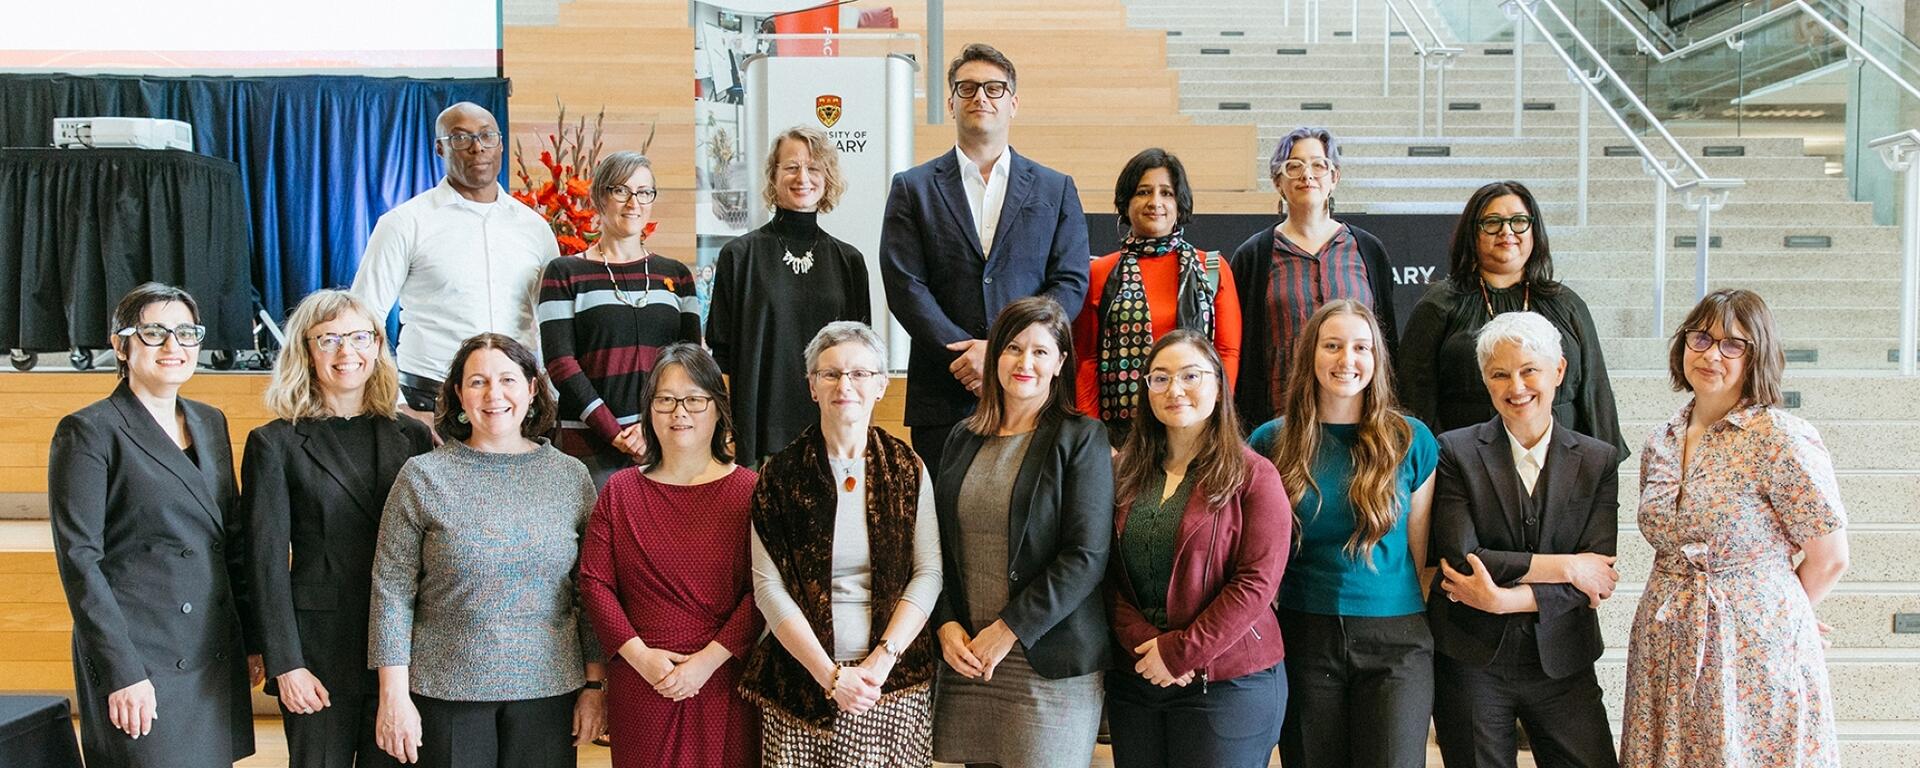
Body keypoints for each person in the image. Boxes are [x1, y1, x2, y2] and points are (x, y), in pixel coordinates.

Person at [1619, 289, 1850, 767]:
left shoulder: (1780, 437)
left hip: (1752, 648)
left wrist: (1782, 616)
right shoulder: (1661, 439)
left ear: (1756, 356)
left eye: (1732, 345)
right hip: (1666, 637)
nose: (1710, 355)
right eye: (1700, 338)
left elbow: (1829, 557)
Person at [48, 282, 263, 766]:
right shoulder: (89, 430)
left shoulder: (210, 422)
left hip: (209, 651)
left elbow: (231, 539)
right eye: (154, 332)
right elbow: (80, 562)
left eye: (186, 333)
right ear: (120, 344)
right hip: (140, 656)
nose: (173, 346)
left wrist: (250, 637)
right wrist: (122, 670)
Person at [368, 333, 606, 768]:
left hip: (548, 691)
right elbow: (392, 592)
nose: (494, 394)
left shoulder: (571, 477)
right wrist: (393, 696)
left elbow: (588, 592)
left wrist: (594, 688)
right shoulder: (422, 476)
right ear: (458, 393)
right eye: (477, 382)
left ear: (532, 389)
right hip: (446, 692)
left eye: (508, 380)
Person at [244, 289, 435, 768]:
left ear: (376, 346)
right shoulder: (275, 443)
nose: (346, 352)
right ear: (306, 352)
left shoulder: (410, 434)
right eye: (328, 339)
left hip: (400, 650)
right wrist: (286, 663)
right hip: (318, 651)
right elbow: (265, 563)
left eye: (358, 337)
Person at [739, 321, 943, 766]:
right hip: (799, 681)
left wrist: (880, 663)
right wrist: (829, 676)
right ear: (812, 386)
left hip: (890, 683)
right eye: (830, 374)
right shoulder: (779, 475)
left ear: (881, 384)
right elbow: (769, 589)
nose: (844, 385)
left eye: (859, 374)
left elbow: (929, 574)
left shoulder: (908, 469)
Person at [880, 42, 1091, 474]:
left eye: (994, 89)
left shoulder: (1055, 188)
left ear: (1013, 103)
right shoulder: (912, 187)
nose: (981, 97)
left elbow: (1070, 282)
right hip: (945, 390)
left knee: (1031, 521)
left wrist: (1005, 352)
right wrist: (965, 356)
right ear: (952, 101)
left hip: (1032, 388)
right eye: (968, 87)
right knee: (944, 525)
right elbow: (905, 284)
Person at [1426, 311, 1621, 768]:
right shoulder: (1453, 450)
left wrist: (1503, 601)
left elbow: (1599, 573)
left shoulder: (1598, 461)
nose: (1516, 387)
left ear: (1558, 371)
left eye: (1529, 370)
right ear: (1484, 380)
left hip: (1564, 660)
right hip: (1470, 659)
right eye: (1500, 374)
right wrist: (1567, 566)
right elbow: (1464, 557)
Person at [1250, 300, 1437, 768]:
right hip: (1303, 632)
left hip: (1397, 639)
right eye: (1332, 346)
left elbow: (1419, 552)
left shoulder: (1411, 439)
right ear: (1310, 355)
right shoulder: (1271, 442)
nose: (1346, 360)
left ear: (1376, 360)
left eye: (1360, 347)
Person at [931, 297, 1113, 768]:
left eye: (1039, 351)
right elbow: (939, 548)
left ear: (1060, 362)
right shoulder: (962, 437)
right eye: (1012, 348)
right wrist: (946, 623)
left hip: (1046, 662)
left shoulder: (1082, 437)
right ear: (994, 357)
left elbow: (1086, 556)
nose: (1024, 362)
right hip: (970, 658)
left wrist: (1009, 629)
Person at [1106, 330, 1291, 768]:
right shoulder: (1121, 472)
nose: (1175, 389)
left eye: (1191, 375)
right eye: (1160, 378)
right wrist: (1146, 645)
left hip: (1228, 685)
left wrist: (1180, 652)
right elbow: (1103, 573)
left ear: (1218, 383)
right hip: (1139, 678)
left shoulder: (1254, 475)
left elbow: (1257, 582)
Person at [579, 344, 762, 768]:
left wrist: (706, 662)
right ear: (648, 410)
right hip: (642, 678)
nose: (680, 412)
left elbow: (764, 591)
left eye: (695, 399)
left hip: (725, 676)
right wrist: (641, 657)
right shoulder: (620, 492)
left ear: (718, 409)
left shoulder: (750, 490)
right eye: (665, 400)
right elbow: (594, 583)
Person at [352, 102, 560, 427]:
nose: (478, 148)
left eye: (487, 136)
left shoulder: (534, 228)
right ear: (440, 148)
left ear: (500, 143)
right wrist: (396, 405)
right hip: (431, 402)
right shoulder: (405, 223)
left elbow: (549, 322)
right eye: (461, 138)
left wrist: (549, 398)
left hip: (515, 405)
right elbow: (363, 319)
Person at [1398, 181, 1627, 461]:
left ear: (1534, 230)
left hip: (1559, 467)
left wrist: (1600, 471)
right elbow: (1413, 400)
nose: (1507, 231)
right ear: (1473, 233)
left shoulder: (1567, 304)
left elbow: (1594, 391)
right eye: (1492, 222)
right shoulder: (1438, 305)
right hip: (1466, 469)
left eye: (1518, 221)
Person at [709, 126, 871, 465]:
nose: (803, 177)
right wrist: (722, 429)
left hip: (833, 435)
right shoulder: (739, 256)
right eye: (791, 167)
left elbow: (861, 363)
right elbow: (721, 354)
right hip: (758, 433)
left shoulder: (849, 262)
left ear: (826, 178)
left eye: (813, 168)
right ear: (773, 174)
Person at [539, 151, 700, 485]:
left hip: (664, 440)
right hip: (589, 443)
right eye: (621, 191)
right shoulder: (565, 273)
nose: (634, 203)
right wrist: (614, 432)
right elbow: (560, 363)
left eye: (644, 192)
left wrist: (652, 428)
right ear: (600, 197)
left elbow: (690, 362)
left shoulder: (676, 275)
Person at [1228, 127, 1399, 430]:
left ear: (1334, 178)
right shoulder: (1253, 255)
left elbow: (1385, 340)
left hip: (1359, 416)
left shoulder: (1368, 249)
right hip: (1279, 419)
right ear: (1278, 182)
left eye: (1319, 165)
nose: (1307, 175)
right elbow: (1241, 348)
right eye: (1294, 166)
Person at [1075, 148, 1241, 444]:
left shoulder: (1212, 268)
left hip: (1196, 429)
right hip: (1121, 439)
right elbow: (1087, 360)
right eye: (1143, 192)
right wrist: (1094, 436)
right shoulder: (1098, 272)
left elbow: (1227, 352)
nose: (1155, 202)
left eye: (1166, 193)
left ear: (1180, 203)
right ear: (1127, 203)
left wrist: (1214, 419)